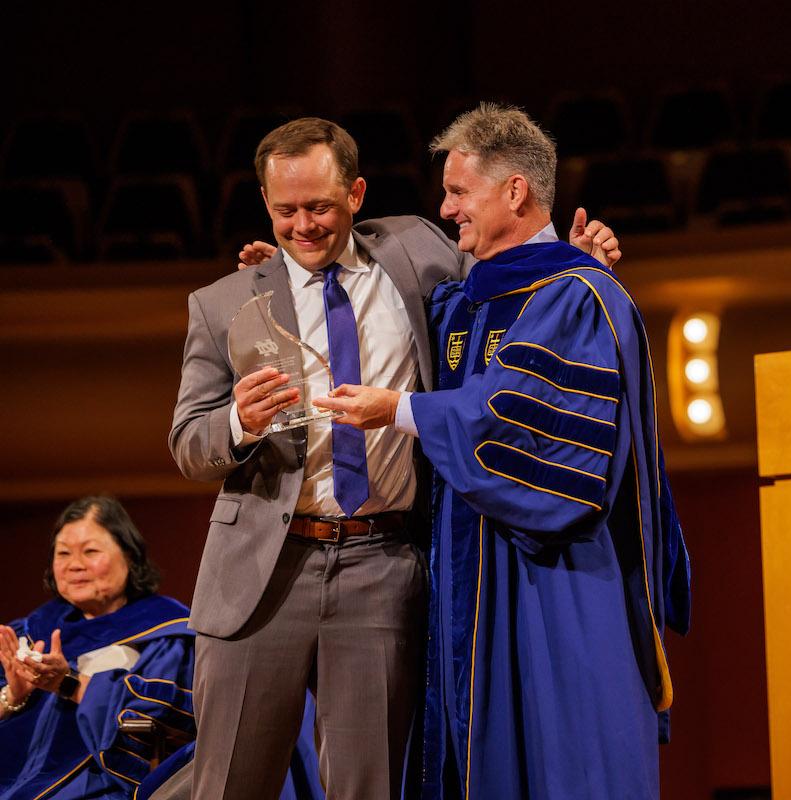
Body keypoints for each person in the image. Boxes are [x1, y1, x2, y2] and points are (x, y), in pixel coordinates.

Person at [170, 116, 620, 798]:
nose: (303, 226)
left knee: (372, 785)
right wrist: (238, 421)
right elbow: (187, 443)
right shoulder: (223, 302)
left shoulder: (416, 250)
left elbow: (510, 273)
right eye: (285, 210)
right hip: (261, 575)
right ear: (265, 204)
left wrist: (577, 261)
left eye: (319, 206)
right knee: (229, 784)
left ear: (355, 192)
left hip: (381, 568)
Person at [314, 103, 691, 800]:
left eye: (459, 191)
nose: (446, 207)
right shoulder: (459, 304)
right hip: (461, 584)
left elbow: (520, 428)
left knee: (560, 764)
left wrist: (397, 410)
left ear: (515, 191)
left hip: (552, 578)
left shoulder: (577, 295)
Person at [0, 496, 195, 799]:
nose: (75, 565)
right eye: (63, 553)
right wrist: (12, 696)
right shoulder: (27, 632)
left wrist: (70, 685)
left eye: (90, 551)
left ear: (130, 557)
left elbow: (161, 735)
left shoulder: (165, 636)